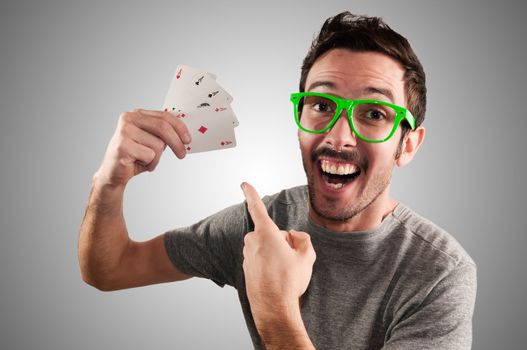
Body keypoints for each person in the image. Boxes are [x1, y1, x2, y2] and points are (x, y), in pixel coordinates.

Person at [78, 11, 477, 350]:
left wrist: (273, 305)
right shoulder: (259, 226)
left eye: (374, 113)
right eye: (321, 105)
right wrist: (109, 183)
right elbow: (109, 269)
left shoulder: (439, 272)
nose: (338, 137)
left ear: (408, 145)